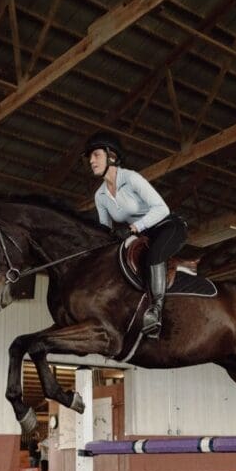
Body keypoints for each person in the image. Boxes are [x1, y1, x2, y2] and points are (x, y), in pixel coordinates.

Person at [84, 131, 187, 338]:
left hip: (167, 226)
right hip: (142, 234)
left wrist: (135, 227)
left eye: (96, 155)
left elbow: (161, 209)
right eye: (90, 157)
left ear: (111, 156)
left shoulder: (131, 178)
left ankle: (155, 311)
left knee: (153, 256)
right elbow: (105, 230)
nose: (91, 161)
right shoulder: (100, 195)